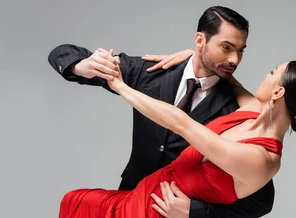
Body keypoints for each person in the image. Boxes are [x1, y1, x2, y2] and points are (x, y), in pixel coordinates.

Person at [47, 5, 275, 218]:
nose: (235, 59)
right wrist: (84, 66)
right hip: (127, 200)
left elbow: (262, 200)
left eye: (240, 51)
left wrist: (194, 212)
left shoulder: (236, 112)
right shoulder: (151, 73)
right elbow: (61, 53)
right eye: (226, 48)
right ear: (200, 40)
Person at [58, 48, 296, 218]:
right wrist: (195, 56)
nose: (265, 76)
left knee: (77, 203)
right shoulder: (254, 109)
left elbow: (182, 124)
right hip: (139, 194)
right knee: (74, 201)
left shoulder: (261, 159)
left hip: (154, 212)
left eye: (272, 73)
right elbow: (230, 81)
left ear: (278, 92)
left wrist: (121, 87)